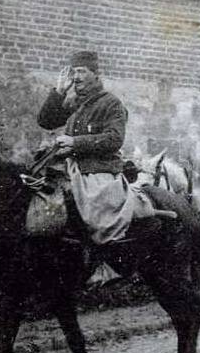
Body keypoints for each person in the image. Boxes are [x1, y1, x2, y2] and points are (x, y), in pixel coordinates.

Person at [37, 50, 173, 245]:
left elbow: (115, 139)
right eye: (74, 72)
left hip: (97, 169)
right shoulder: (75, 103)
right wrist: (59, 92)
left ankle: (101, 256)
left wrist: (75, 142)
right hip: (70, 166)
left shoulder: (111, 104)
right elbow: (46, 121)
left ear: (96, 75)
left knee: (97, 215)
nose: (76, 77)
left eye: (82, 71)